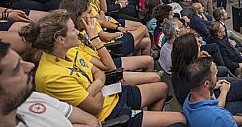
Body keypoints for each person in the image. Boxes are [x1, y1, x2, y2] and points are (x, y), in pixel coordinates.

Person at [20, 10, 186, 126]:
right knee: (180, 119)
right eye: (72, 30)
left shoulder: (69, 52)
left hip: (112, 94)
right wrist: (99, 82)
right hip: (109, 113)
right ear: (60, 39)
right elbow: (95, 106)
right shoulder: (51, 76)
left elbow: (100, 73)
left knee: (162, 87)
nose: (78, 32)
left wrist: (95, 84)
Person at [0, 39, 101, 127]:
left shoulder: (31, 98)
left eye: (21, 60)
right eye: (17, 69)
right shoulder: (52, 77)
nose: (30, 66)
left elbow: (92, 121)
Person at [183, 58, 242, 127]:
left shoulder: (188, 99)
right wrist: (224, 91)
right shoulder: (220, 117)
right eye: (215, 74)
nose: (216, 76)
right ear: (206, 84)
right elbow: (223, 118)